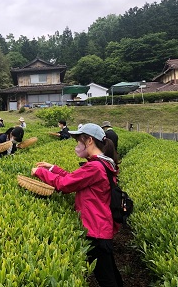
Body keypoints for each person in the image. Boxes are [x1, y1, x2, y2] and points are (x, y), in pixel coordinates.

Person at [31, 123, 122, 287]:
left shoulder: (95, 167)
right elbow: (75, 179)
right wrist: (52, 168)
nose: (76, 146)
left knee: (106, 279)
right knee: (110, 273)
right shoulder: (102, 163)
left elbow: (65, 185)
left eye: (79, 141)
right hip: (101, 226)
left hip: (96, 230)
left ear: (89, 141)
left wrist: (39, 172)